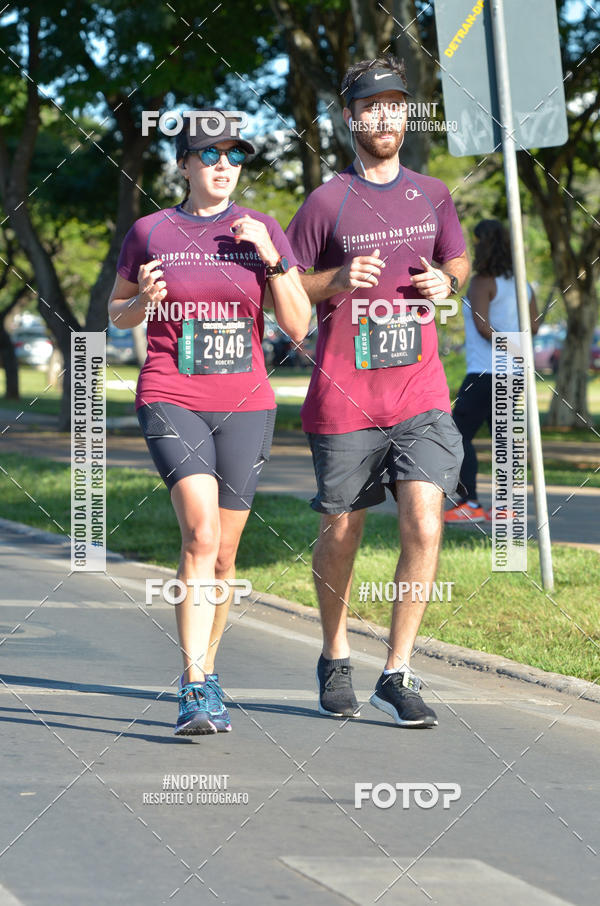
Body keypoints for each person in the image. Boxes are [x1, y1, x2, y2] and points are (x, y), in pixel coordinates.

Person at [108, 112, 311, 735]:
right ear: (184, 164)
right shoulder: (150, 231)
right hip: (171, 394)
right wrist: (143, 300)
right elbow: (116, 314)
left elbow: (298, 326)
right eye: (209, 153)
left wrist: (272, 259)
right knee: (199, 534)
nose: (224, 165)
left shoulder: (263, 229)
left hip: (247, 404)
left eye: (235, 154)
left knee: (224, 554)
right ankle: (193, 686)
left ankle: (211, 671)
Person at [286, 55, 470, 728]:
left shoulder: (433, 194)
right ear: (350, 118)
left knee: (424, 521)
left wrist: (448, 282)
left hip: (421, 392)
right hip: (345, 396)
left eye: (395, 104)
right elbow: (286, 286)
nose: (385, 116)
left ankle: (398, 671)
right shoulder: (325, 201)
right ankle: (335, 654)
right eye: (371, 106)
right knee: (343, 530)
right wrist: (335, 281)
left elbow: (456, 257)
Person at [445, 219, 539, 524]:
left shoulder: (482, 281)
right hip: (513, 374)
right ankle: (507, 507)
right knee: (504, 439)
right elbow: (534, 327)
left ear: (483, 244)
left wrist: (512, 349)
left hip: (485, 372)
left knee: (457, 434)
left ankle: (469, 502)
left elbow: (483, 328)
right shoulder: (523, 284)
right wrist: (519, 350)